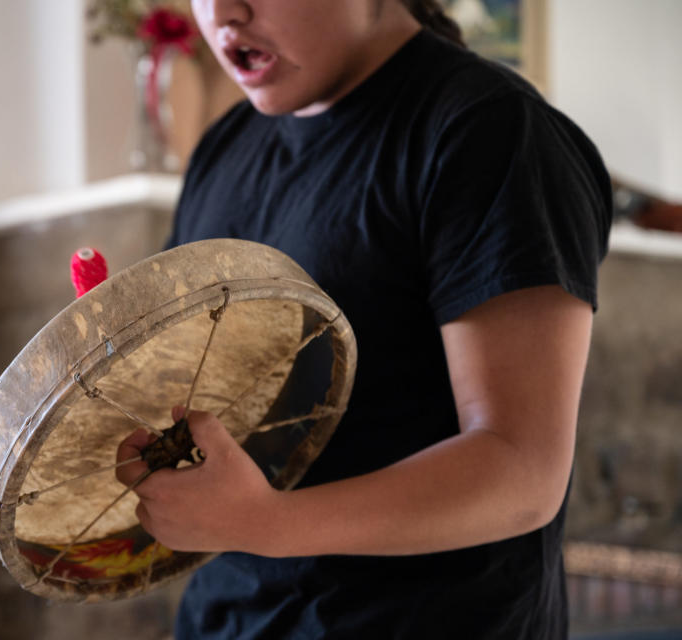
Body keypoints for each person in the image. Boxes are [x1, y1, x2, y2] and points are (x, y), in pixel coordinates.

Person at [116, 0, 613, 637]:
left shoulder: (490, 131)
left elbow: (521, 471)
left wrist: (266, 522)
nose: (223, 13)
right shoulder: (225, 144)